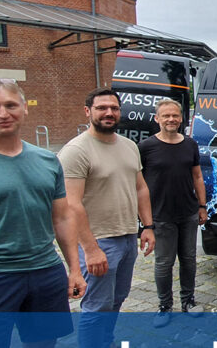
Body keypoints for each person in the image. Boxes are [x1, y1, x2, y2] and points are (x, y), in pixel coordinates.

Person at [0, 79, 85, 347]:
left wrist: (75, 269)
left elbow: (63, 217)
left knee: (45, 343)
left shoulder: (47, 160)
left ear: (24, 109)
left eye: (10, 105)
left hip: (45, 272)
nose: (3, 113)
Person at [58, 88, 155, 347]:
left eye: (113, 108)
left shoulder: (129, 146)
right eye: (101, 108)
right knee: (96, 306)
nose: (108, 113)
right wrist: (90, 249)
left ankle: (106, 341)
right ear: (88, 111)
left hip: (126, 238)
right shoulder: (75, 150)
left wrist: (148, 226)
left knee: (117, 299)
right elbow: (71, 204)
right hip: (98, 241)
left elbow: (140, 188)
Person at [138, 99, 208, 327]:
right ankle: (164, 306)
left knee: (188, 259)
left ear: (181, 119)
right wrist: (144, 220)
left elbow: (197, 176)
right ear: (157, 118)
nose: (171, 119)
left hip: (188, 212)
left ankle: (188, 301)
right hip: (160, 215)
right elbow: (138, 184)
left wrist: (202, 205)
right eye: (166, 116)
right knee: (164, 263)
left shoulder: (190, 144)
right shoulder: (146, 147)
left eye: (175, 116)